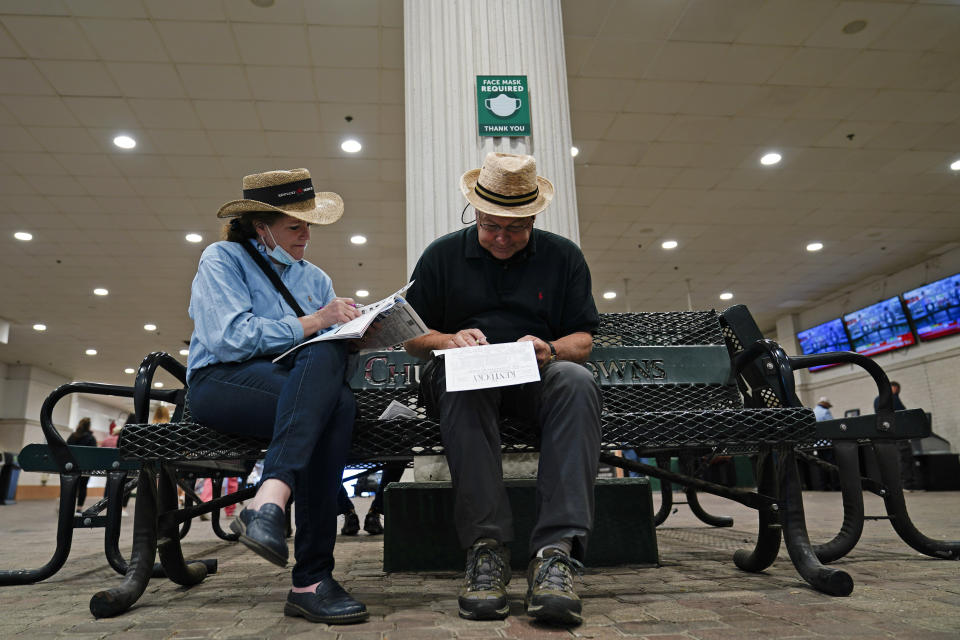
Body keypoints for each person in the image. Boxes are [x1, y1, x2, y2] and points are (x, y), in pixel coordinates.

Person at [403, 152, 602, 626]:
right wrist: (450, 341)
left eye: (514, 228)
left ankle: (555, 553)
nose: (500, 238)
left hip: (536, 373)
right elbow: (410, 335)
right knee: (460, 377)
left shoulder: (563, 257)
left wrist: (550, 349)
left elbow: (584, 339)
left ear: (533, 216)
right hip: (460, 374)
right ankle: (486, 549)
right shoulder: (442, 255)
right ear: (475, 211)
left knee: (576, 380)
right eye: (491, 225)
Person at [185, 168, 368, 624]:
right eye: (295, 225)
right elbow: (228, 339)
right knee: (333, 405)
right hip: (222, 385)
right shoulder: (222, 258)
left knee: (334, 392)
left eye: (309, 224)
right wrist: (316, 322)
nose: (307, 234)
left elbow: (322, 350)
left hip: (293, 389)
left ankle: (269, 498)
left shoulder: (316, 279)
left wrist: (354, 333)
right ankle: (310, 579)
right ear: (260, 226)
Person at [337, 464, 405, 535]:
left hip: (345, 454)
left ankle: (349, 512)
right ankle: (375, 511)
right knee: (396, 459)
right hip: (384, 453)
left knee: (327, 461)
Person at [874, 381, 917, 489]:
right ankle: (907, 485)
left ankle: (895, 485)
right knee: (904, 457)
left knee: (892, 459)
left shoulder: (876, 400)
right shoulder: (893, 398)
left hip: (885, 434)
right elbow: (903, 413)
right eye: (896, 389)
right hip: (898, 433)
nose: (897, 392)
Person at [99, 413, 135, 516]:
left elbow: (119, 445)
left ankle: (109, 505)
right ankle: (123, 508)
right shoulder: (138, 431)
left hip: (120, 461)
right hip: (132, 463)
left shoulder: (123, 431)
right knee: (128, 485)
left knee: (112, 484)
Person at [67, 417, 98, 514]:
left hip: (72, 466)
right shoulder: (91, 438)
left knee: (71, 486)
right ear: (89, 426)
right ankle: (79, 509)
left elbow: (67, 450)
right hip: (86, 467)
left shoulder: (72, 436)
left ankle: (67, 506)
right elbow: (94, 453)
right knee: (83, 487)